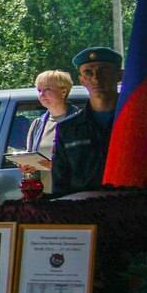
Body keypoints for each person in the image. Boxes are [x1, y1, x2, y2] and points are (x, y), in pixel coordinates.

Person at [51, 48, 123, 195]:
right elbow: (60, 185)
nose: (96, 78)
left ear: (119, 75)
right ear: (81, 80)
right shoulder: (68, 129)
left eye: (104, 71)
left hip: (134, 209)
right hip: (84, 213)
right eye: (88, 72)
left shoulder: (136, 123)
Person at [24, 69, 75, 186]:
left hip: (73, 195)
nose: (42, 94)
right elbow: (31, 158)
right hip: (44, 196)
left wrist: (56, 166)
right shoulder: (37, 124)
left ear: (63, 92)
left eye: (47, 89)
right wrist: (27, 166)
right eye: (39, 90)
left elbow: (89, 164)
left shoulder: (81, 121)